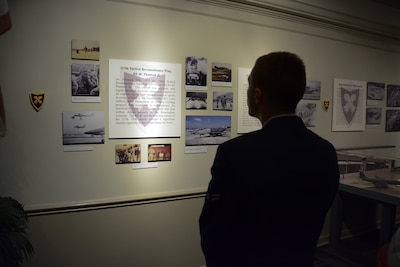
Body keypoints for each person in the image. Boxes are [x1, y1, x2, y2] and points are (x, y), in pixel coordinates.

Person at [199, 51, 340, 267]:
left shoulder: (234, 153)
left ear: (257, 95)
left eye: (248, 86)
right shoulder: (325, 151)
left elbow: (214, 231)